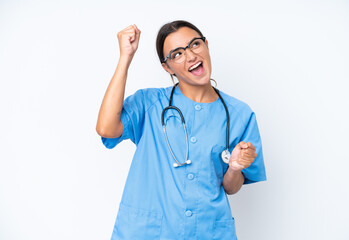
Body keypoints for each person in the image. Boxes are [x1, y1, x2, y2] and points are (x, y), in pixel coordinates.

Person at [96, 20, 267, 240]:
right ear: (167, 67)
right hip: (148, 232)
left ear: (206, 44)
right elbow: (106, 129)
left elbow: (232, 187)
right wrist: (125, 58)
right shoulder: (149, 103)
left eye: (195, 44)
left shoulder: (239, 114)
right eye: (177, 54)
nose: (190, 56)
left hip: (208, 231)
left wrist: (234, 168)